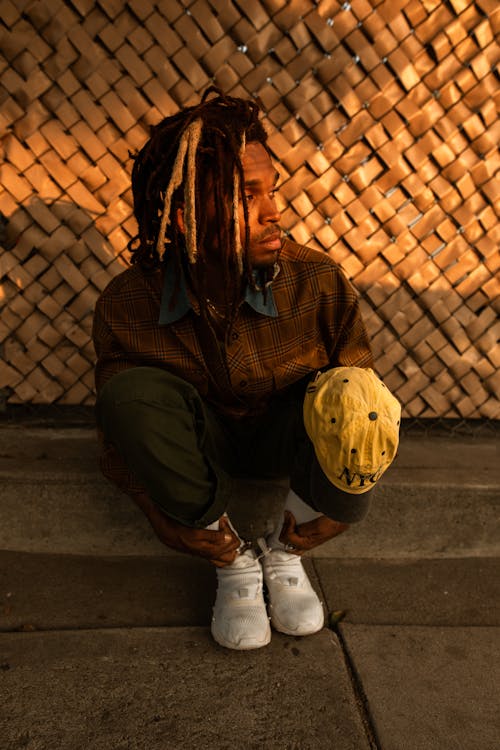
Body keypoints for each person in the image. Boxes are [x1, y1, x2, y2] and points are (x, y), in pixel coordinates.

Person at [92, 88, 401, 650]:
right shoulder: (128, 304)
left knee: (352, 387)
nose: (274, 211)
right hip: (202, 453)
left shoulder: (318, 282)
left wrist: (345, 505)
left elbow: (363, 408)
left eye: (274, 190)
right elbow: (120, 436)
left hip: (285, 444)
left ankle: (282, 557)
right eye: (248, 195)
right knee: (129, 396)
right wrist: (156, 513)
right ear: (186, 218)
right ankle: (232, 560)